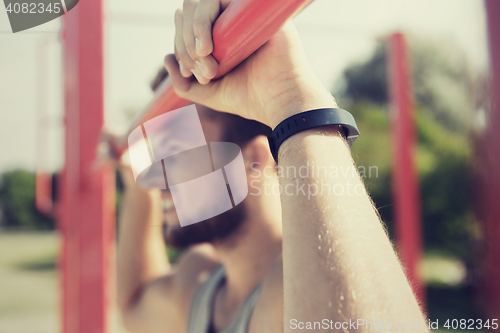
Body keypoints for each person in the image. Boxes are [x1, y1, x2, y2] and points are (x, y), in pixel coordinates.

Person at [116, 1, 428, 332]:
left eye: (176, 148)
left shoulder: (289, 292)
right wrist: (133, 181)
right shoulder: (202, 287)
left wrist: (290, 98)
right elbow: (133, 306)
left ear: (254, 159)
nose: (157, 176)